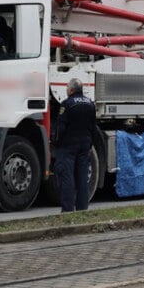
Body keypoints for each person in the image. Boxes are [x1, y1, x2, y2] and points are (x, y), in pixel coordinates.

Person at [52, 77, 96, 212]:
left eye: (66, 88)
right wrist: (89, 144)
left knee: (67, 177)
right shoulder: (90, 104)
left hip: (69, 146)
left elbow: (60, 127)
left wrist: (56, 142)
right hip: (84, 146)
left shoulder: (67, 104)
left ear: (70, 90)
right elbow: (93, 127)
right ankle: (82, 208)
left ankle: (68, 210)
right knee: (82, 179)